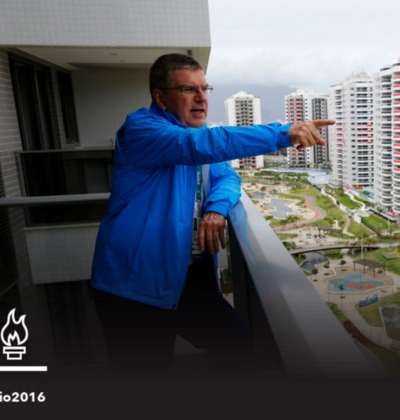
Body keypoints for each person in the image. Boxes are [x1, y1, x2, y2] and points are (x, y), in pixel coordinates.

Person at [90, 53, 332, 377]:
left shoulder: (196, 138)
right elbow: (199, 146)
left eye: (205, 88)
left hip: (189, 278)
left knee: (235, 342)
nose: (201, 98)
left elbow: (228, 178)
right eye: (189, 89)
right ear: (160, 97)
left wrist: (216, 209)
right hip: (135, 287)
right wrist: (283, 133)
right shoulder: (143, 130)